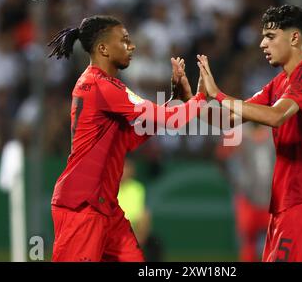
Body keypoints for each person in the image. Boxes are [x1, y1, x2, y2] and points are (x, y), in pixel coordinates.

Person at [48, 15, 205, 262]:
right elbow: (171, 120)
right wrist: (202, 97)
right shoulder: (101, 86)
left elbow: (131, 137)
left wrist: (175, 101)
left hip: (106, 208)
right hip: (83, 206)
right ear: (103, 48)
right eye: (124, 41)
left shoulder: (107, 87)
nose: (131, 46)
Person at [196, 5, 302, 262]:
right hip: (284, 202)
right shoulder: (279, 83)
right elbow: (226, 120)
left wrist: (218, 93)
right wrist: (194, 100)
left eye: (270, 36)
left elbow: (275, 116)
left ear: (294, 37)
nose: (262, 44)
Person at [216, 123, 274, 261]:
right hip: (248, 198)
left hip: (273, 199)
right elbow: (220, 156)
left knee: (276, 246)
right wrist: (235, 181)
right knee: (248, 245)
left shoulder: (275, 130)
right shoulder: (240, 133)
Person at [118, 158, 163, 261]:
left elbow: (142, 214)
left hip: (132, 230)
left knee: (155, 242)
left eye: (127, 168)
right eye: (123, 167)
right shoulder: (110, 186)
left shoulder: (138, 188)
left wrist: (139, 236)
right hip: (114, 229)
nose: (125, 171)